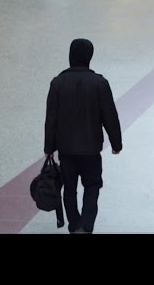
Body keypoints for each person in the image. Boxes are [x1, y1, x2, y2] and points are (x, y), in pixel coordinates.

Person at [44, 38, 122, 233]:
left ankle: (74, 225)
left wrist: (49, 148)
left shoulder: (57, 83)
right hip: (91, 148)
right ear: (90, 57)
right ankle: (86, 227)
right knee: (92, 186)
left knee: (69, 188)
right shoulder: (100, 83)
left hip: (66, 149)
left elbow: (51, 119)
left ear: (70, 55)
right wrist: (116, 143)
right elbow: (110, 116)